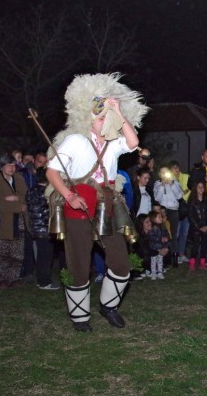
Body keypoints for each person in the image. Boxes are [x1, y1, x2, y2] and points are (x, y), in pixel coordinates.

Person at [46, 73, 149, 332]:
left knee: (121, 263)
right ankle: (80, 316)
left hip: (107, 206)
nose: (106, 122)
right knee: (79, 263)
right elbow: (52, 172)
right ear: (90, 119)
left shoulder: (114, 145)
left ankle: (109, 306)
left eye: (108, 118)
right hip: (78, 205)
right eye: (102, 117)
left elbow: (134, 142)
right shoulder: (75, 141)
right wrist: (69, 196)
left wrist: (117, 110)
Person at [0, 154, 28, 288]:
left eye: (13, 165)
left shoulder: (19, 178)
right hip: (2, 222)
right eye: (9, 165)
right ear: (1, 167)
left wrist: (15, 198)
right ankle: (2, 279)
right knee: (1, 252)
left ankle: (14, 278)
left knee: (17, 252)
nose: (12, 168)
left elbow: (25, 196)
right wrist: (18, 205)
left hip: (18, 222)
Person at [25, 168, 58, 290]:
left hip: (35, 228)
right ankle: (45, 282)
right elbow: (49, 212)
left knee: (41, 255)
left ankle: (41, 280)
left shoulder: (30, 191)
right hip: (45, 229)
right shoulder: (47, 192)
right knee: (46, 256)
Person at [154, 165, 183, 266]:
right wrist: (162, 186)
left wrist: (171, 184)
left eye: (166, 172)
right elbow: (157, 198)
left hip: (174, 211)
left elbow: (179, 196)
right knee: (162, 235)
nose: (164, 175)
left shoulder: (175, 182)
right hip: (162, 212)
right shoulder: (157, 184)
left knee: (174, 235)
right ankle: (163, 259)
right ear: (159, 174)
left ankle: (175, 257)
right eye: (162, 172)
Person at [187, 181, 207, 271]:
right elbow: (191, 216)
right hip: (196, 228)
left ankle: (202, 262)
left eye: (202, 186)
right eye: (199, 187)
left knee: (204, 244)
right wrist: (199, 227)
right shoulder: (192, 201)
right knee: (196, 244)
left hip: (206, 227)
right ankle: (192, 262)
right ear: (195, 189)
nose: (201, 188)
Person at [147, 210, 170, 280]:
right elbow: (151, 237)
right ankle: (153, 272)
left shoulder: (163, 226)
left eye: (161, 217)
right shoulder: (152, 228)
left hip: (161, 246)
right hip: (154, 247)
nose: (161, 218)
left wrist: (167, 238)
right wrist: (160, 239)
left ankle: (160, 272)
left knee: (160, 259)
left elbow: (167, 234)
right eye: (159, 217)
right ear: (153, 219)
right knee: (154, 260)